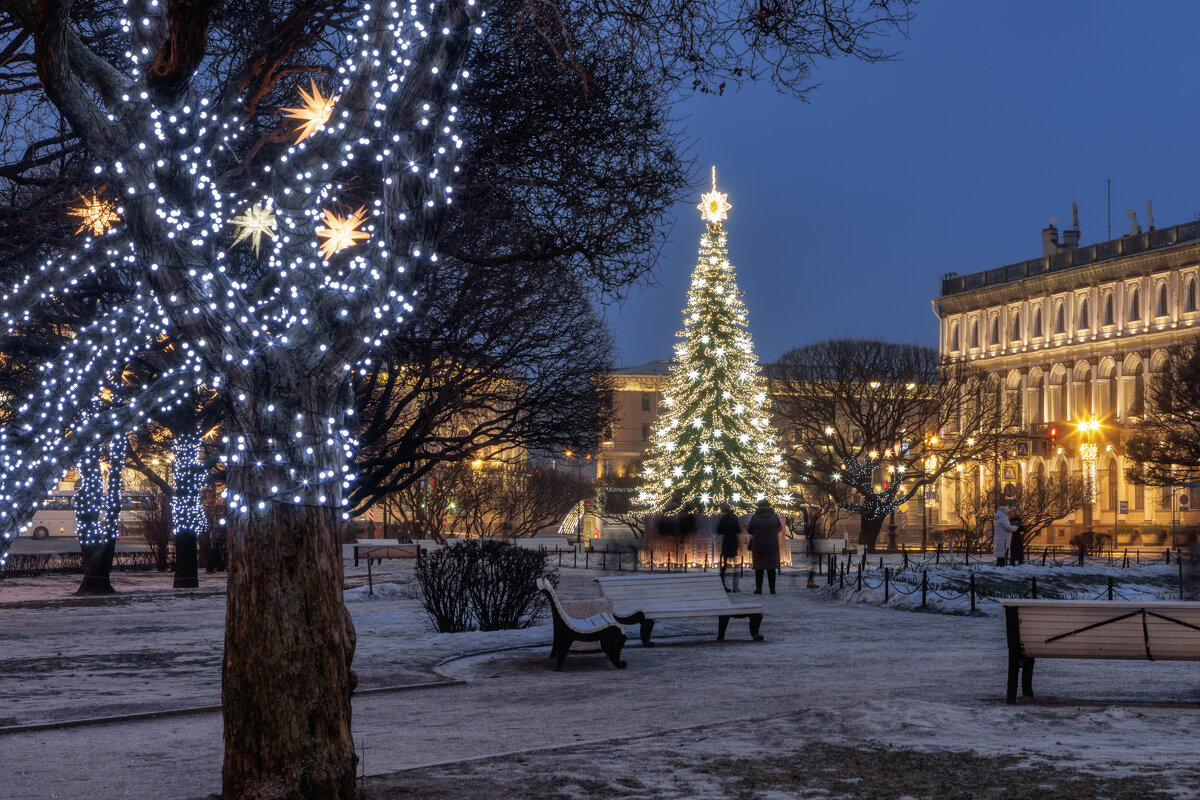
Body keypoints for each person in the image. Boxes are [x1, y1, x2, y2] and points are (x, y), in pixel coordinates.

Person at [748, 499, 782, 594]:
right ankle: (772, 589)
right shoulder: (775, 517)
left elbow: (749, 530)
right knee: (771, 568)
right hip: (772, 545)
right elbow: (779, 528)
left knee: (759, 568)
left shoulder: (755, 517)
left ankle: (759, 589)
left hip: (759, 545)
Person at [717, 503, 742, 592]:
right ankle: (735, 586)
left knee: (725, 565)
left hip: (726, 541)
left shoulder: (724, 518)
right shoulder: (734, 518)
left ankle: (724, 584)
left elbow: (719, 529)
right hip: (733, 541)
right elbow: (738, 530)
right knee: (735, 565)